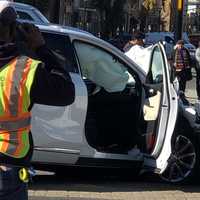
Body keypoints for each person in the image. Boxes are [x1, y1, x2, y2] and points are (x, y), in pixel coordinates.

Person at [0, 5, 75, 200]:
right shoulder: (23, 70)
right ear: (12, 30)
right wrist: (41, 47)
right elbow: (66, 91)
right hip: (7, 169)